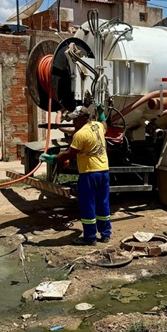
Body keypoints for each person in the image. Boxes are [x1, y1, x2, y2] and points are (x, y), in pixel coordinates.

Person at [40, 104, 112, 246]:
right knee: (103, 203)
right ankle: (105, 234)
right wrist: (101, 113)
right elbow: (105, 125)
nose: (73, 122)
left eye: (75, 119)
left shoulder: (80, 135)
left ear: (83, 118)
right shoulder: (97, 126)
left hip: (89, 173)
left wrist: (51, 158)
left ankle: (90, 237)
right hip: (104, 171)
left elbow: (69, 154)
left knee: (88, 205)